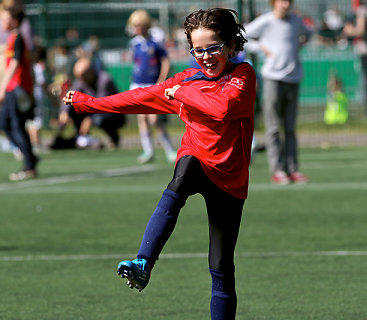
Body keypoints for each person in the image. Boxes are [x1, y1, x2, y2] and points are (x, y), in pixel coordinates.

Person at [63, 8, 255, 320]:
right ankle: (143, 262)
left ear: (232, 45)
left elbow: (222, 108)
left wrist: (180, 93)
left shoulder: (243, 75)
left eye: (213, 48)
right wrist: (91, 103)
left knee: (220, 266)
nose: (205, 57)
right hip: (196, 158)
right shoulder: (187, 80)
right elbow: (138, 98)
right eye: (197, 50)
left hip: (230, 177)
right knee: (183, 173)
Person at [244, 0, 312, 185]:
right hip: (273, 78)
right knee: (273, 127)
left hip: (293, 78)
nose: (286, 4)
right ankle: (278, 169)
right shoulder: (265, 21)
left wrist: (301, 44)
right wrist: (260, 48)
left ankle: (293, 169)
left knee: (290, 127)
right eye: (282, 1)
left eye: (289, 1)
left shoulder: (296, 21)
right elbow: (241, 35)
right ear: (273, 3)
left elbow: (308, 33)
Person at [127, 9, 176, 164]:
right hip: (138, 85)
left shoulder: (155, 43)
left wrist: (161, 81)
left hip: (152, 85)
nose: (138, 28)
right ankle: (148, 151)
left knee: (154, 120)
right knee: (142, 119)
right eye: (136, 25)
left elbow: (165, 62)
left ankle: (169, 150)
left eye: (140, 25)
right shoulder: (134, 44)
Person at [0, 4, 38, 181]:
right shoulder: (12, 38)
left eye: (5, 18)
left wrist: (2, 86)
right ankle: (29, 156)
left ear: (14, 21)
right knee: (5, 124)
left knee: (16, 126)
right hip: (12, 89)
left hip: (15, 89)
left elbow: (15, 65)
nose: (2, 21)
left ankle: (29, 165)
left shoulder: (17, 38)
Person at [58, 57, 125, 149]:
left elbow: (102, 105)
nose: (81, 80)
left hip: (112, 114)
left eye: (83, 76)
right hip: (92, 111)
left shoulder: (104, 80)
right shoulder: (82, 81)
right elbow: (71, 96)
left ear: (90, 72)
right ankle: (81, 138)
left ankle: (114, 138)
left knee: (98, 119)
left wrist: (90, 119)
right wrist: (64, 112)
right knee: (73, 109)